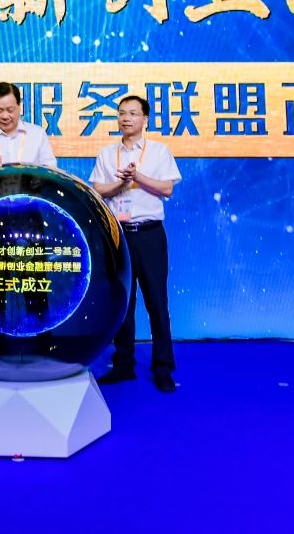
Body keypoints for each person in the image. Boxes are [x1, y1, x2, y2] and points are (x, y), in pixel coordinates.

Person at [90, 94, 182, 392]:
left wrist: (137, 177)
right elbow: (98, 190)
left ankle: (163, 367)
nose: (125, 118)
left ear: (145, 119)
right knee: (122, 302)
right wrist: (121, 183)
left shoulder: (159, 151)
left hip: (149, 234)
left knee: (157, 302)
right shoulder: (107, 153)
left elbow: (167, 189)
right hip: (119, 234)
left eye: (132, 113)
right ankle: (123, 364)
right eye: (121, 113)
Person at [0, 81, 58, 176]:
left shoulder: (37, 135)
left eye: (10, 110)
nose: (5, 116)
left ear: (19, 107)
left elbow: (51, 173)